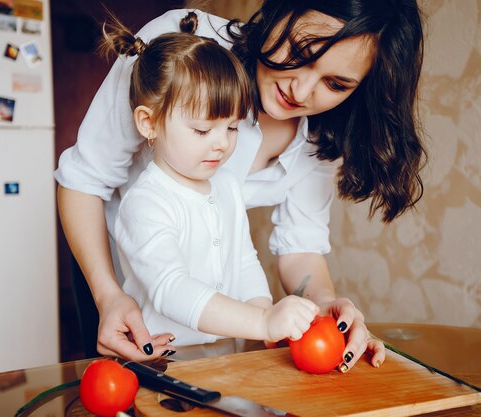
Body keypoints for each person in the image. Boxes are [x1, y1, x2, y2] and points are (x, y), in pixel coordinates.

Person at [55, 0, 425, 373]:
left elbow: (298, 246)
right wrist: (108, 296)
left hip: (218, 332)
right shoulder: (180, 45)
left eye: (335, 83)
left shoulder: (321, 131)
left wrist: (318, 306)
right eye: (300, 52)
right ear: (282, 11)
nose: (301, 90)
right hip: (118, 277)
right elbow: (85, 179)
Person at [104, 12, 319, 347]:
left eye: (232, 127)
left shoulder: (227, 187)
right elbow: (170, 289)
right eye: (203, 129)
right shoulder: (145, 203)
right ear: (148, 123)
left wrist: (263, 312)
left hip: (223, 354)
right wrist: (262, 322)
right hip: (164, 360)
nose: (221, 143)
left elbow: (246, 263)